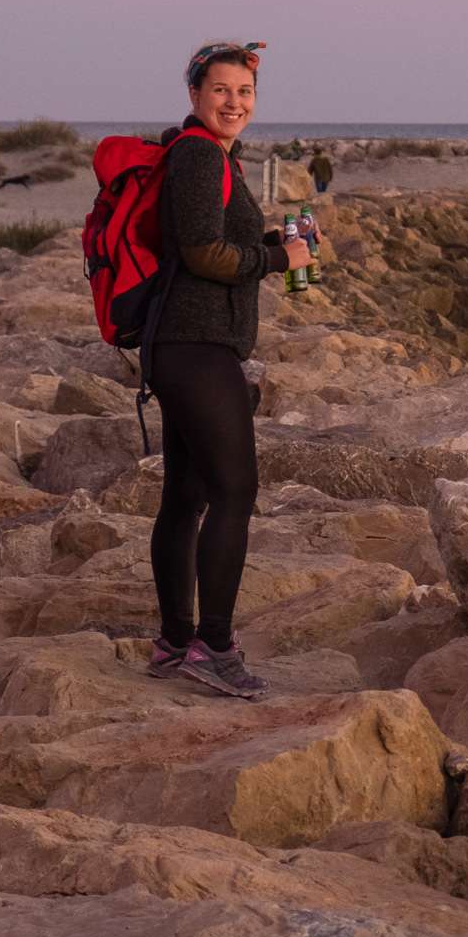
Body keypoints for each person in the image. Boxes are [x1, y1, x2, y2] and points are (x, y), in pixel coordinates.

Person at [143, 40, 305, 700]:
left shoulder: (212, 157)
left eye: (244, 92)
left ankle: (173, 642)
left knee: (187, 495)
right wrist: (276, 263)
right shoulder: (196, 155)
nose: (233, 102)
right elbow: (204, 252)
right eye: (220, 90)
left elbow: (213, 245)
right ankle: (214, 646)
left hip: (187, 345)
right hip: (196, 346)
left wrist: (270, 246)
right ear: (194, 95)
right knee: (235, 491)